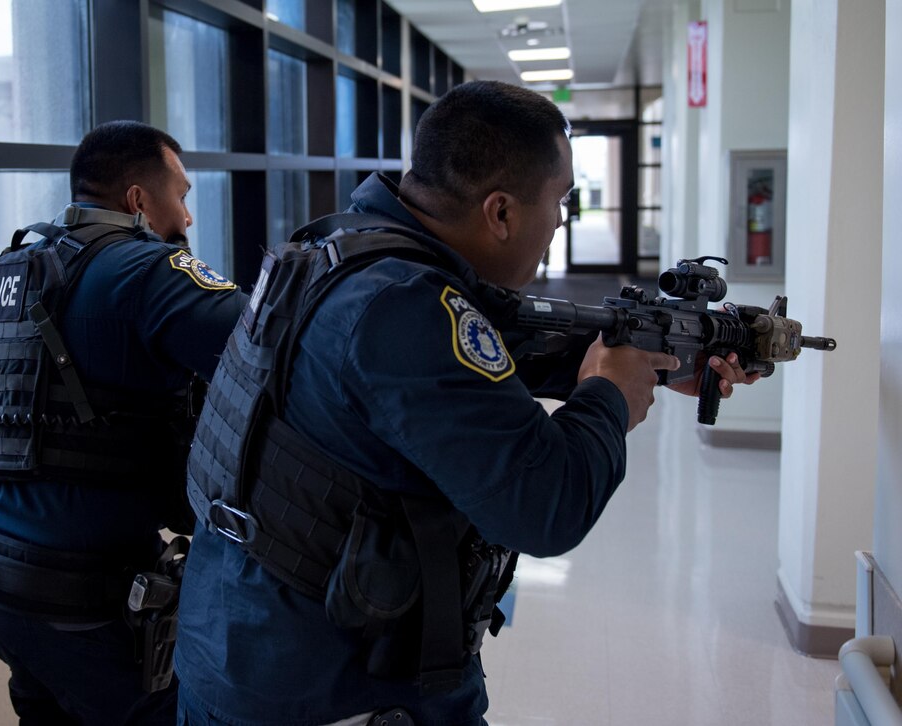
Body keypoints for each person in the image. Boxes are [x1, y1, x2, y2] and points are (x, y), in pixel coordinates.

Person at [174, 81, 755, 725]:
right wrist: (608, 398)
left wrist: (656, 357)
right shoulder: (405, 306)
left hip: (241, 641)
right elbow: (545, 505)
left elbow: (477, 360)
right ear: (500, 212)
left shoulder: (347, 250)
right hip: (328, 689)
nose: (562, 221)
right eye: (559, 201)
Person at [0, 120, 248, 725]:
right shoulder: (147, 272)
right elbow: (278, 347)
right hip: (82, 598)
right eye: (181, 196)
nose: (186, 218)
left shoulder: (7, 271)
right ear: (138, 200)